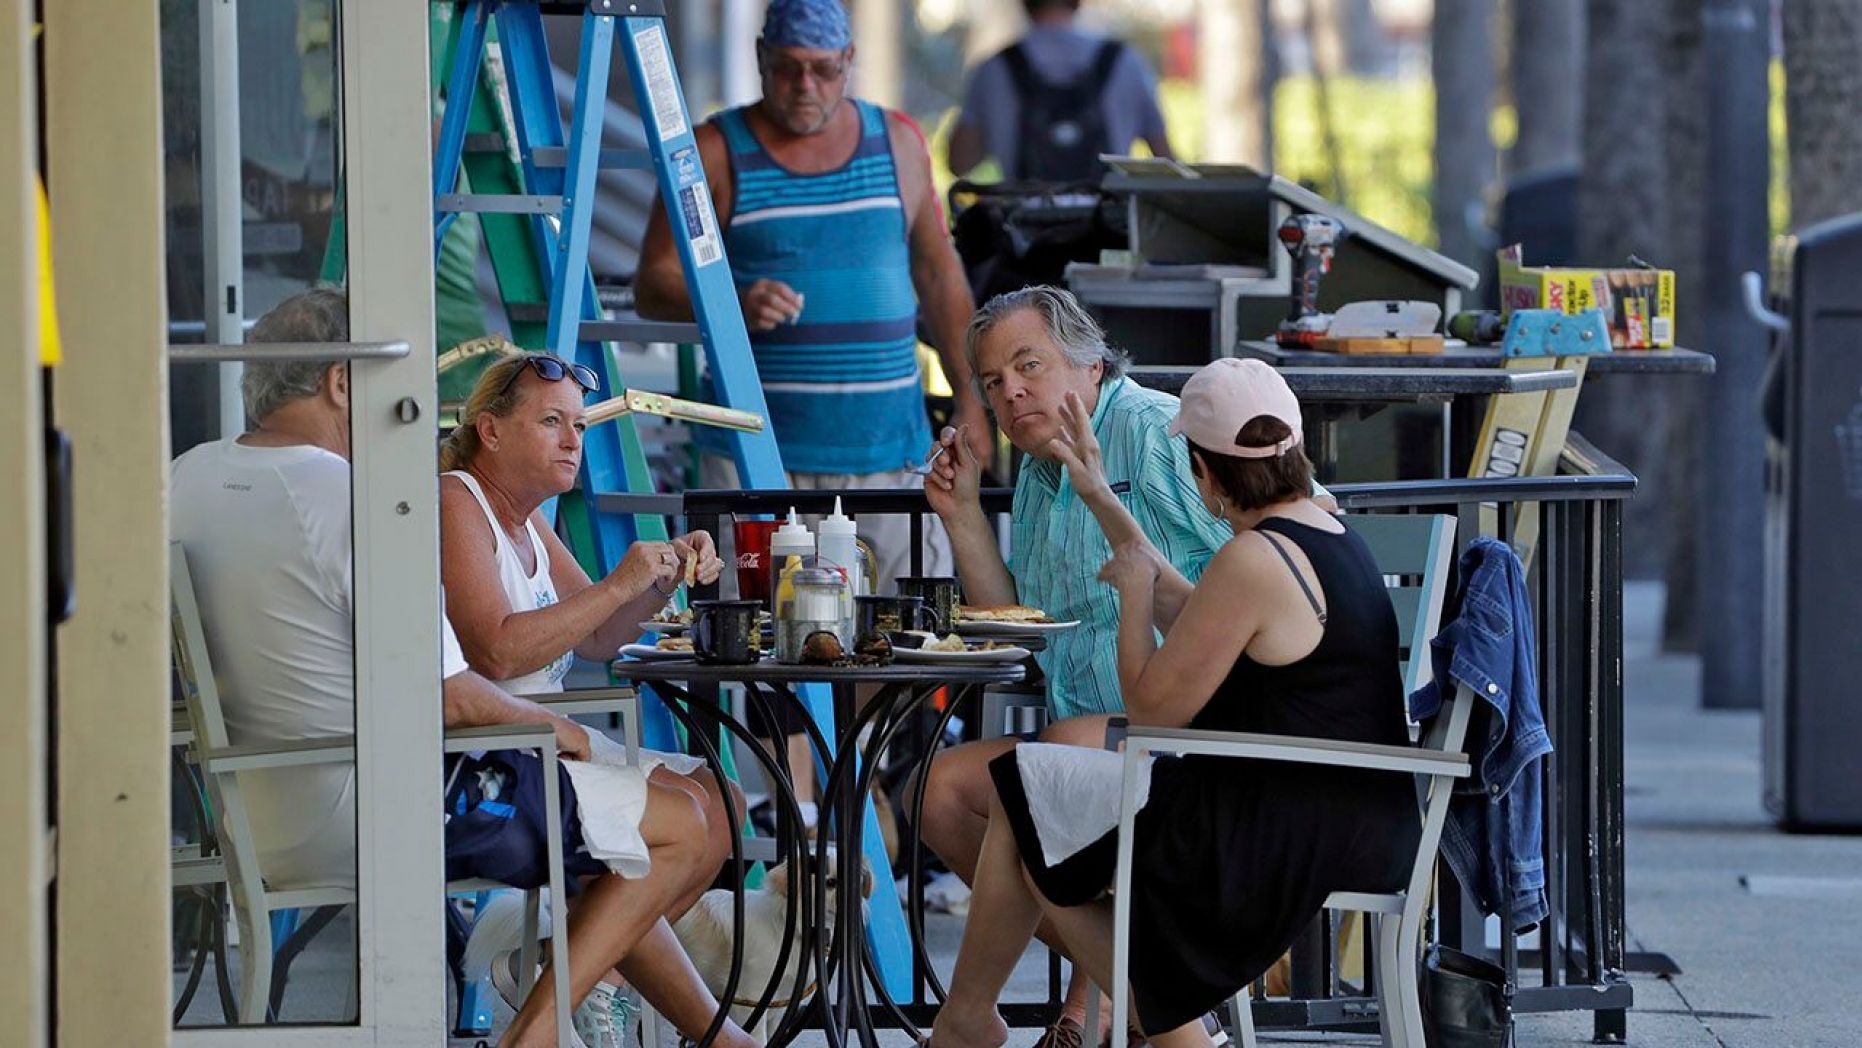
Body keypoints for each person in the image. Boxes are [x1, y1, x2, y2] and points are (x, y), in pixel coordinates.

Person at [171, 289, 756, 1048]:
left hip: (254, 810)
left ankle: (710, 1037)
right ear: (344, 382)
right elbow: (455, 694)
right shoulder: (355, 501)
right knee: (677, 825)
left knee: (680, 805)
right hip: (388, 805)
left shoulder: (187, 477)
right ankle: (536, 1030)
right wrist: (561, 730)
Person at [930, 357, 1421, 1048]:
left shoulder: (1253, 560)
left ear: (1206, 472)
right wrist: (1098, 491)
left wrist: (1131, 599)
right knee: (1034, 800)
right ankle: (989, 1024)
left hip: (1276, 827)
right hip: (1347, 814)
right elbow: (1194, 612)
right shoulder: (1319, 533)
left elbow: (1155, 711)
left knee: (1028, 798)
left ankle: (989, 1025)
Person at [914, 286, 1231, 1046]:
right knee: (941, 792)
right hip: (1093, 733)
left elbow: (1279, 548)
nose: (1010, 391)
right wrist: (960, 516)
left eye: (1029, 365)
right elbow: (1021, 621)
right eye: (993, 382)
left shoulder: (1156, 430)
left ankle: (1058, 1013)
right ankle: (1144, 981)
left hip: (1195, 729)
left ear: (1090, 363)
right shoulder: (1037, 469)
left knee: (1045, 773)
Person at [633, 0, 988, 592]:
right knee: (757, 650)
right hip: (755, 455)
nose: (805, 86)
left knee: (900, 647)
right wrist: (734, 301)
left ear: (849, 61)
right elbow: (654, 283)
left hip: (888, 456)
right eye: (787, 68)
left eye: (823, 70)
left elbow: (938, 275)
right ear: (760, 59)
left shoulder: (897, 141)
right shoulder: (716, 149)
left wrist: (973, 401)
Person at [436, 348, 743, 874]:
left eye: (579, 425)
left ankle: (592, 951)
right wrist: (619, 584)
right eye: (551, 422)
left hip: (543, 744)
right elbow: (497, 654)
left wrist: (659, 581)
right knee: (691, 815)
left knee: (726, 802)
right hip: (496, 761)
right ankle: (587, 956)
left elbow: (599, 638)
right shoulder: (456, 499)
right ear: (490, 430)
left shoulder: (526, 517)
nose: (573, 440)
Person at [947, 0, 1174, 184]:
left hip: (1023, 231)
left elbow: (959, 163)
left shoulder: (994, 69)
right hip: (1108, 229)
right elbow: (1167, 165)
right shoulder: (1125, 62)